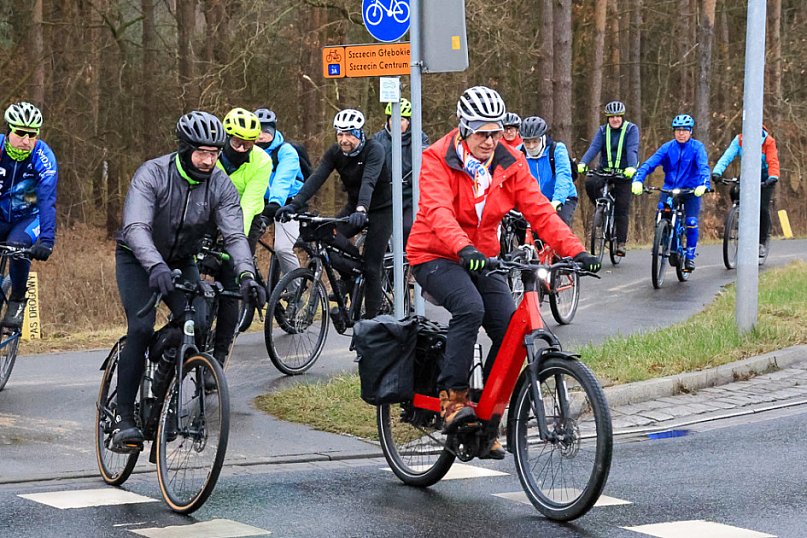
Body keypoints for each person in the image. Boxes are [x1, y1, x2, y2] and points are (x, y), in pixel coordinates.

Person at [406, 86, 600, 459]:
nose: (490, 141)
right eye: (482, 133)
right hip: (435, 254)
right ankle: (452, 398)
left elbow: (540, 211)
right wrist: (463, 247)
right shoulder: (436, 159)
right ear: (463, 129)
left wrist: (576, 250)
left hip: (485, 256)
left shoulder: (510, 162)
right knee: (470, 307)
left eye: (495, 132)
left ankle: (488, 419)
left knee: (510, 329)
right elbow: (437, 211)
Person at [112, 111, 266, 452]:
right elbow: (136, 227)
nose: (210, 160)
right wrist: (154, 266)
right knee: (140, 327)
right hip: (138, 258)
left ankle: (161, 396)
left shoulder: (220, 184)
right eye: (202, 153)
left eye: (215, 153)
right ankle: (123, 419)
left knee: (194, 323)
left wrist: (246, 274)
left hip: (182, 259)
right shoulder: (153, 173)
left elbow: (234, 234)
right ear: (184, 148)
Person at [276, 109, 392, 318]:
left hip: (380, 209)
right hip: (354, 206)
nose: (344, 140)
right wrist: (294, 205)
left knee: (372, 268)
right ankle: (350, 275)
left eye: (349, 134)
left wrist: (362, 209)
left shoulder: (375, 150)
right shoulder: (335, 153)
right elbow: (317, 178)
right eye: (340, 134)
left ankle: (373, 323)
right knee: (327, 234)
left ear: (360, 133)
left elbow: (369, 181)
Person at [209, 107, 273, 367]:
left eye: (248, 145)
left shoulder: (261, 161)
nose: (242, 149)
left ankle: (220, 355)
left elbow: (248, 206)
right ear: (226, 138)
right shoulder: (210, 156)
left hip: (244, 218)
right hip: (211, 214)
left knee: (230, 282)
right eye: (236, 143)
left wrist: (233, 241)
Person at [0, 102, 58, 328]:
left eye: (32, 134)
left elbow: (47, 199)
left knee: (17, 246)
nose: (26, 140)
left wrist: (47, 240)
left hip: (28, 217)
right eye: (20, 133)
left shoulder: (43, 157)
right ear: (8, 131)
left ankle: (17, 300)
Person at [631, 114, 710, 272]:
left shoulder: (697, 147)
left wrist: (704, 184)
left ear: (690, 132)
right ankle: (665, 237)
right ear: (674, 132)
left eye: (685, 130)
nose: (681, 133)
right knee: (662, 211)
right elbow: (650, 163)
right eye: (678, 130)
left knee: (691, 222)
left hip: (691, 191)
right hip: (669, 189)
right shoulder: (668, 147)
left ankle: (689, 256)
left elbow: (703, 167)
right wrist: (638, 179)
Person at [578, 100, 640, 257]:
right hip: (604, 171)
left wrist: (632, 168)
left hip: (624, 173)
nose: (615, 119)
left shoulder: (631, 130)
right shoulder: (603, 131)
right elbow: (593, 148)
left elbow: (632, 149)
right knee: (590, 183)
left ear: (622, 117)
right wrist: (583, 163)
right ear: (607, 118)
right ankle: (602, 208)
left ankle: (620, 243)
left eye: (618, 116)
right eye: (612, 117)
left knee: (622, 207)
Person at [711, 125, 780, 258]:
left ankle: (761, 242)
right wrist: (717, 172)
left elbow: (773, 162)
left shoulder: (768, 141)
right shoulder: (740, 140)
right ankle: (740, 215)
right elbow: (727, 156)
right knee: (734, 191)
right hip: (748, 174)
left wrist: (773, 177)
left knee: (762, 208)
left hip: (765, 177)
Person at [253, 108, 304, 278]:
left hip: (289, 202)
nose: (261, 135)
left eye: (266, 131)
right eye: (257, 130)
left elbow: (283, 180)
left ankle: (297, 289)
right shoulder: (248, 151)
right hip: (263, 202)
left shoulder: (286, 151)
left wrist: (275, 203)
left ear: (274, 131)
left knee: (282, 248)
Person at [372, 98, 429, 244]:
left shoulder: (419, 138)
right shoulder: (378, 139)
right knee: (381, 230)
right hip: (387, 196)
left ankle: (406, 260)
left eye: (402, 119)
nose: (396, 122)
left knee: (407, 227)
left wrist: (413, 178)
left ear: (409, 122)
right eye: (393, 118)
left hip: (411, 196)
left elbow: (427, 162)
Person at [519, 116, 578, 227]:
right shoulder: (518, 152)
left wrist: (557, 200)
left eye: (535, 141)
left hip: (562, 198)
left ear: (542, 138)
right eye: (527, 142)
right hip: (535, 200)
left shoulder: (557, 149)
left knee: (558, 228)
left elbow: (563, 175)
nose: (531, 146)